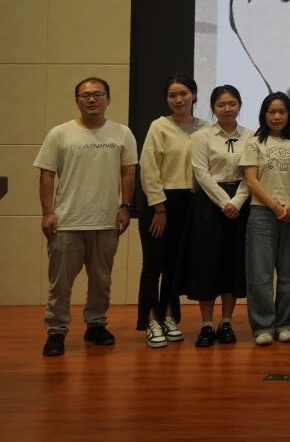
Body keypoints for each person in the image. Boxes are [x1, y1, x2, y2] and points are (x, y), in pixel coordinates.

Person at [37, 77, 137, 357]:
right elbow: (46, 174)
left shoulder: (122, 133)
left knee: (101, 281)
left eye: (98, 94)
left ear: (108, 99)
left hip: (106, 221)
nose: (92, 99)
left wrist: (125, 206)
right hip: (66, 222)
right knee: (60, 283)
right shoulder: (59, 133)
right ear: (77, 100)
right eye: (86, 95)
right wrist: (47, 212)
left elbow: (128, 172)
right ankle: (56, 331)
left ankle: (96, 325)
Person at [136, 74, 207, 346]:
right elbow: (149, 167)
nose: (178, 100)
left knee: (174, 266)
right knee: (153, 265)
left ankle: (168, 316)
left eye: (183, 94)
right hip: (160, 204)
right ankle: (151, 321)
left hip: (190, 203)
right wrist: (159, 208)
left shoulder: (205, 128)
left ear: (194, 95)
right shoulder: (159, 126)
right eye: (172, 95)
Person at [186, 85, 252, 348]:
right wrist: (225, 202)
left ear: (239, 106)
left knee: (231, 262)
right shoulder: (202, 136)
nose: (227, 109)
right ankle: (206, 324)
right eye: (221, 104)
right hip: (208, 205)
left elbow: (251, 173)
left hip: (240, 202)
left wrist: (237, 201)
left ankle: (226, 322)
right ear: (213, 107)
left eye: (232, 103)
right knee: (207, 262)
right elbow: (201, 173)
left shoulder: (250, 136)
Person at [240, 92, 290, 346]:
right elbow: (251, 180)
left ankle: (285, 324)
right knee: (260, 274)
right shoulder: (255, 142)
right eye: (271, 112)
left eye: (282, 112)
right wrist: (275, 206)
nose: (277, 116)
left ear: (289, 115)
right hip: (262, 213)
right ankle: (263, 325)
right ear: (264, 115)